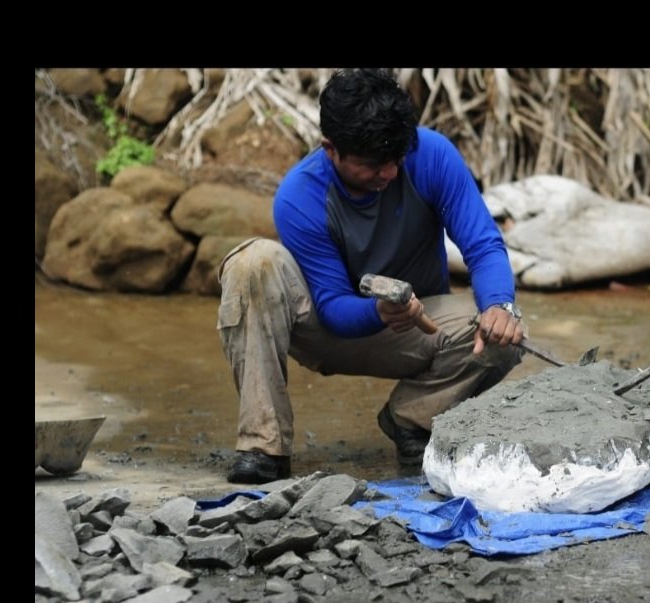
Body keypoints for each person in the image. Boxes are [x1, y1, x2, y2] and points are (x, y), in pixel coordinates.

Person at [217, 68, 525, 484]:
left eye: (396, 160)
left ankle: (410, 419)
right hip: (327, 329)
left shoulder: (431, 154)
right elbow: (330, 304)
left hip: (418, 325)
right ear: (331, 149)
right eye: (372, 165)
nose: (389, 174)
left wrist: (499, 305)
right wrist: (378, 313)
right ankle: (263, 445)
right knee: (251, 263)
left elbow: (483, 244)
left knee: (505, 335)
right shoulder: (300, 195)